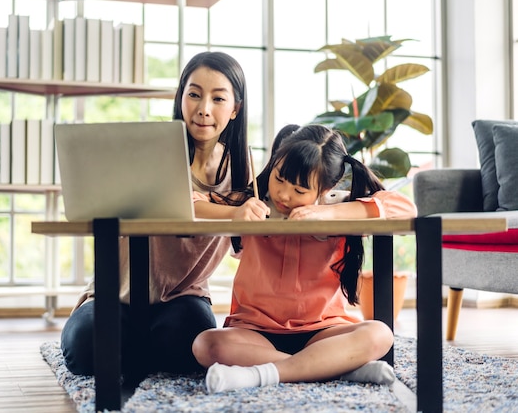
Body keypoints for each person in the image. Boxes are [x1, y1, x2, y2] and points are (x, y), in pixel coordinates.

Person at [60, 51, 266, 382]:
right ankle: (134, 348)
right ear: (181, 97)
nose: (204, 109)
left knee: (188, 347)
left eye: (218, 98)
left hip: (185, 296)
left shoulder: (242, 167)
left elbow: (242, 246)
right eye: (194, 94)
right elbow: (188, 204)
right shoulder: (153, 149)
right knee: (82, 348)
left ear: (235, 109)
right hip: (117, 292)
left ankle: (132, 351)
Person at [192, 123, 418, 393]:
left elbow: (406, 208)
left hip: (323, 332)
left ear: (327, 188)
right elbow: (189, 202)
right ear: (273, 164)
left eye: (300, 191)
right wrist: (234, 213)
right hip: (254, 332)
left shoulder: (338, 206)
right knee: (206, 345)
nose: (284, 195)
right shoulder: (252, 202)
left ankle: (260, 375)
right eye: (279, 179)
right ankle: (336, 369)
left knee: (380, 334)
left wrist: (327, 215)